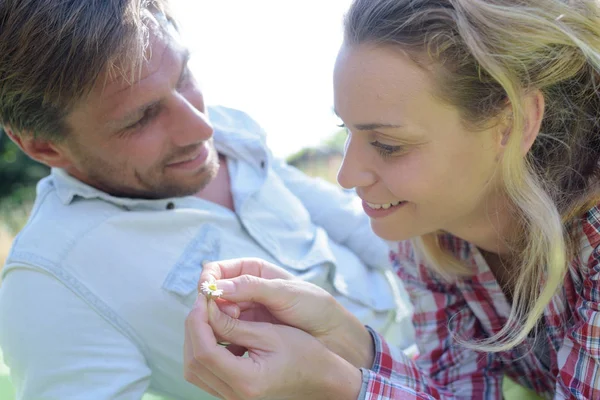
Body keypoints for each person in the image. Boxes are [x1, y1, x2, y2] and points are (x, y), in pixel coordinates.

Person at [183, 0, 600, 398]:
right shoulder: (429, 236)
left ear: (513, 123)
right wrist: (339, 335)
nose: (346, 176)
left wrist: (334, 384)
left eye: (387, 144)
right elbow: (456, 393)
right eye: (348, 131)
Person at [0, 1, 415, 399]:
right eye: (140, 118)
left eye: (182, 76)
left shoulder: (226, 129)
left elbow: (357, 226)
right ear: (44, 147)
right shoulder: (51, 282)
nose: (200, 127)